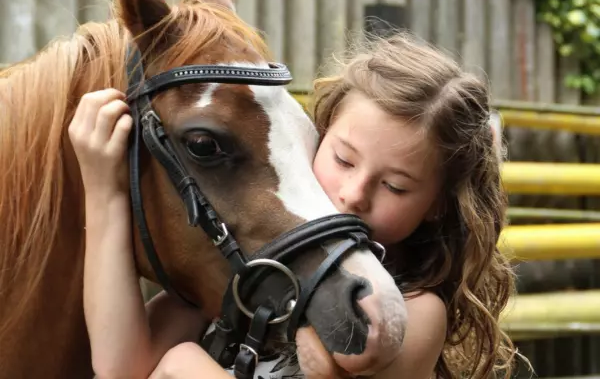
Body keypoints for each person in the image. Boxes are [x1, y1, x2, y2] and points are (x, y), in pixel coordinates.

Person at [70, 32, 523, 379]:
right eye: (343, 158)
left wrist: (185, 368)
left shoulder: (417, 310)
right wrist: (103, 191)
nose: (353, 193)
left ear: (438, 205)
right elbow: (121, 366)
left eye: (395, 186)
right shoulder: (255, 269)